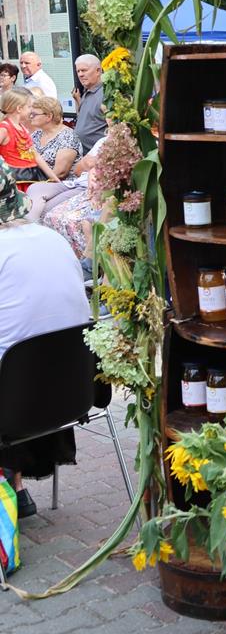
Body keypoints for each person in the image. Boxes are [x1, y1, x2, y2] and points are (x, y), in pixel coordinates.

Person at [0, 167, 91, 518]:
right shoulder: (52, 238)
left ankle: (11, 486)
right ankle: (16, 488)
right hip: (74, 394)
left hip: (15, 406)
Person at [0, 87, 57, 182]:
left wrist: (55, 179)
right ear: (19, 108)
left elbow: (36, 156)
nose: (31, 110)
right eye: (29, 107)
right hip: (16, 178)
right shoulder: (4, 128)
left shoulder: (22, 128)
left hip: (31, 174)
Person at [29, 94, 80, 179]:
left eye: (34, 114)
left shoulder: (68, 137)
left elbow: (60, 173)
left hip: (59, 184)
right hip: (34, 180)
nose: (31, 117)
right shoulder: (36, 134)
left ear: (49, 116)